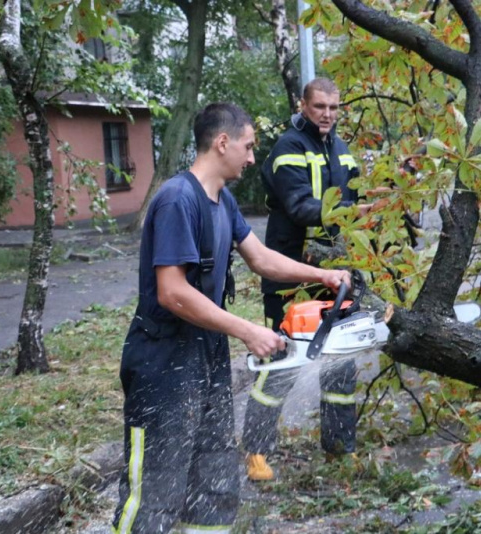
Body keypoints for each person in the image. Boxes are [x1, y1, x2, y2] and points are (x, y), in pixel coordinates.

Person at [111, 102, 351, 534]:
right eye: (248, 145)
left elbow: (259, 257)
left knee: (215, 475)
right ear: (222, 142)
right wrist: (247, 330)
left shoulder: (223, 201)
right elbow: (173, 292)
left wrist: (323, 274)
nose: (253, 156)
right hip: (164, 360)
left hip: (205, 351)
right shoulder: (177, 200)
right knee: (155, 490)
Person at [242, 78, 370, 482]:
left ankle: (339, 447)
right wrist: (356, 209)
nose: (328, 114)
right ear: (303, 105)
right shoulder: (288, 148)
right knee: (279, 360)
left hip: (335, 272)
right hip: (290, 270)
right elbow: (300, 207)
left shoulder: (342, 150)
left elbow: (359, 191)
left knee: (341, 363)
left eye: (334, 107)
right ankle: (257, 452)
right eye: (319, 106)